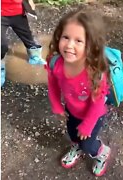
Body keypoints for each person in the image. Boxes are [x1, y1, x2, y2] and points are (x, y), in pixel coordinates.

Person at [46, 8, 111, 176]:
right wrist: (57, 106)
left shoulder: (94, 71)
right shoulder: (56, 63)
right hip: (71, 111)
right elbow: (52, 83)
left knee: (87, 144)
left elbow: (98, 102)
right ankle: (76, 146)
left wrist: (88, 124)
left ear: (91, 45)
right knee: (73, 134)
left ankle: (102, 152)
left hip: (93, 116)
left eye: (78, 41)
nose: (69, 45)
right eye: (65, 37)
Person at [1, 0, 45, 86]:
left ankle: (35, 56)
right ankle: (1, 66)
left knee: (27, 36)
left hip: (18, 13)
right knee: (2, 45)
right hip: (1, 15)